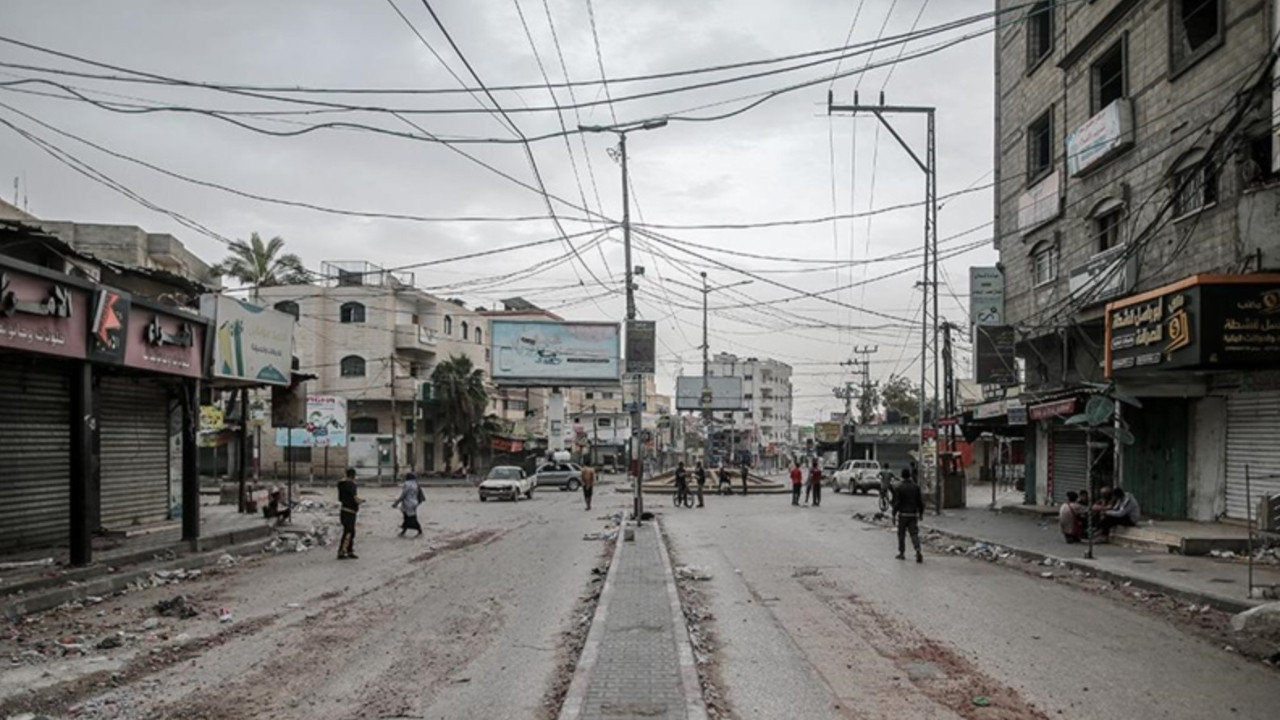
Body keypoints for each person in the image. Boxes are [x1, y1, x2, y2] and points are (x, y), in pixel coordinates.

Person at [892, 470, 926, 563]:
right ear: (910, 476)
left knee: (901, 534)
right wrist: (921, 513)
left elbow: (897, 503)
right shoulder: (916, 487)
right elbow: (920, 502)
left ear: (902, 476)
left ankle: (902, 553)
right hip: (913, 514)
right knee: (914, 533)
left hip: (903, 514)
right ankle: (918, 549)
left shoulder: (899, 488)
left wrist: (894, 514)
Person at [337, 468, 362, 560]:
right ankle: (342, 551)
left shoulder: (341, 484)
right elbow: (355, 498)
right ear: (353, 475)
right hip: (350, 511)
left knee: (350, 531)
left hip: (343, 510)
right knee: (349, 531)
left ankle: (349, 550)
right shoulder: (351, 485)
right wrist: (360, 501)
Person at [392, 472, 424, 538]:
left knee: (410, 518)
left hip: (408, 503)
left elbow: (403, 495)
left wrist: (396, 502)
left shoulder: (407, 484)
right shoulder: (416, 484)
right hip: (415, 503)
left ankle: (418, 529)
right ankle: (404, 530)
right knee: (407, 517)